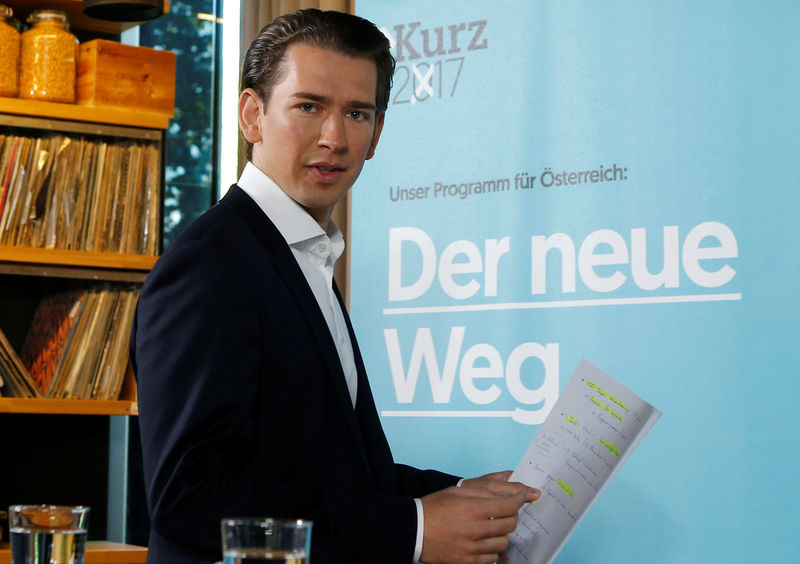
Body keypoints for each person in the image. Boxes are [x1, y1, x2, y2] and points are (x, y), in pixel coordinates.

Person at [130, 8, 539, 564]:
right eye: (309, 106)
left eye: (357, 113)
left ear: (377, 134)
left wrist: (463, 496)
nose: (335, 137)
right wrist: (414, 529)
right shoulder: (210, 265)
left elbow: (329, 473)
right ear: (252, 115)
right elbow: (190, 495)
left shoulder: (302, 254)